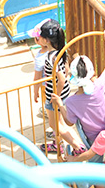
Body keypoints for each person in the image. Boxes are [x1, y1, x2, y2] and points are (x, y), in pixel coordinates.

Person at [53, 31, 105, 155]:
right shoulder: (99, 85)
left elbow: (69, 122)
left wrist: (60, 105)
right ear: (91, 72)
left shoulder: (71, 101)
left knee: (95, 160)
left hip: (93, 138)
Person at [35, 18, 71, 154]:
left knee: (54, 124)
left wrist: (55, 96)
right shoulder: (60, 51)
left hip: (55, 95)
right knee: (58, 121)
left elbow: (61, 79)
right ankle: (58, 143)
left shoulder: (51, 57)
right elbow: (66, 70)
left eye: (40, 37)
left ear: (46, 41)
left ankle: (76, 145)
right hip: (65, 92)